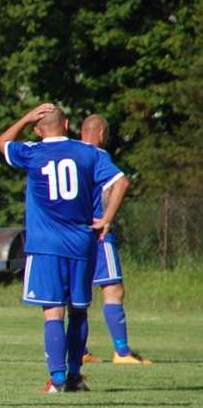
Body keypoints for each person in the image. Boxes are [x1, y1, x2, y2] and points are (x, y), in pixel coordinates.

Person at [0, 103, 129, 392]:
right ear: (67, 123)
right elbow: (121, 182)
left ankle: (56, 380)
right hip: (82, 243)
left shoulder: (32, 152)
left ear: (37, 128)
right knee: (79, 311)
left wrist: (26, 117)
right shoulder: (89, 153)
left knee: (53, 312)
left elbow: (2, 142)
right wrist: (106, 218)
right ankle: (74, 377)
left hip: (46, 245)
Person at [80, 114, 152, 365]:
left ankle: (79, 350)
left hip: (70, 234)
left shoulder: (69, 153)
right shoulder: (99, 156)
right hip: (97, 233)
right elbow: (120, 184)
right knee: (113, 289)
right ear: (101, 134)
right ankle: (121, 352)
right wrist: (107, 218)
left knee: (76, 294)